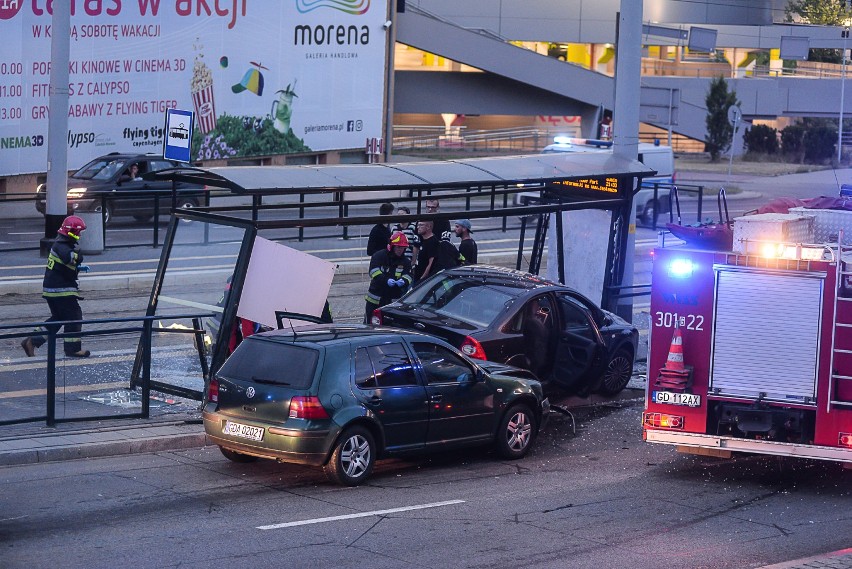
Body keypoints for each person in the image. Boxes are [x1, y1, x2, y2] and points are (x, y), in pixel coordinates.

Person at [21, 215, 92, 358]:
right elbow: (71, 258)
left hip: (53, 290)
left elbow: (64, 266)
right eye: (79, 233)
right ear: (72, 232)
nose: (79, 235)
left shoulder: (59, 244)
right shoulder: (63, 246)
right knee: (74, 316)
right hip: (62, 291)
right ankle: (73, 349)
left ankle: (32, 341)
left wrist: (78, 267)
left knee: (58, 318)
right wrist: (80, 257)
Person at [365, 232, 413, 323]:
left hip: (393, 300)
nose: (400, 250)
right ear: (392, 246)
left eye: (403, 248)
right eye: (398, 247)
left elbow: (409, 275)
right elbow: (373, 271)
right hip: (375, 299)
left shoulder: (405, 262)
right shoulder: (379, 256)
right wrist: (386, 280)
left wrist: (404, 280)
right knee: (370, 324)